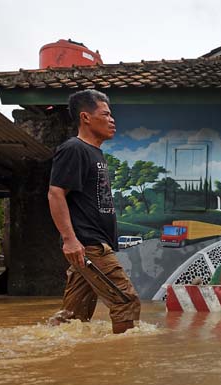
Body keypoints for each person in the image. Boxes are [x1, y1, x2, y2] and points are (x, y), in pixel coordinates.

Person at [47, 90, 141, 334]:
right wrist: (69, 240)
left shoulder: (94, 152)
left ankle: (57, 357)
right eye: (105, 114)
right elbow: (56, 193)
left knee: (72, 317)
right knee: (125, 300)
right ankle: (122, 364)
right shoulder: (74, 149)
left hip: (91, 245)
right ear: (86, 117)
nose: (112, 120)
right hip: (87, 244)